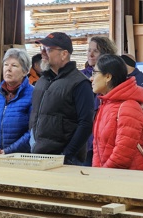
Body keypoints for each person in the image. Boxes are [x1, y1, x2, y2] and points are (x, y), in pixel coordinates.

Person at [29, 32, 94, 165]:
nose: (43, 53)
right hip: (38, 156)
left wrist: (66, 155)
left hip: (65, 161)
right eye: (42, 49)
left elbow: (86, 124)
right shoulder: (42, 81)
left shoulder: (80, 83)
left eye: (48, 49)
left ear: (64, 54)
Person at [91, 54, 143, 171]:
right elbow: (98, 148)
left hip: (127, 180)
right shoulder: (105, 104)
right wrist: (96, 173)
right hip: (108, 177)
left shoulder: (129, 107)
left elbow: (122, 156)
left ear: (108, 77)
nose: (91, 78)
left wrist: (103, 174)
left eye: (95, 73)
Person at [0, 48, 33, 155]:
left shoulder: (33, 94)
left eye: (14, 66)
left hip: (21, 156)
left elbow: (33, 131)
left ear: (25, 71)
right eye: (6, 65)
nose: (8, 69)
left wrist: (8, 151)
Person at [81, 36, 117, 167]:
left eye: (95, 51)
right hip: (84, 137)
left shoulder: (114, 78)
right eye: (89, 50)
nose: (90, 54)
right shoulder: (80, 76)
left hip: (103, 137)